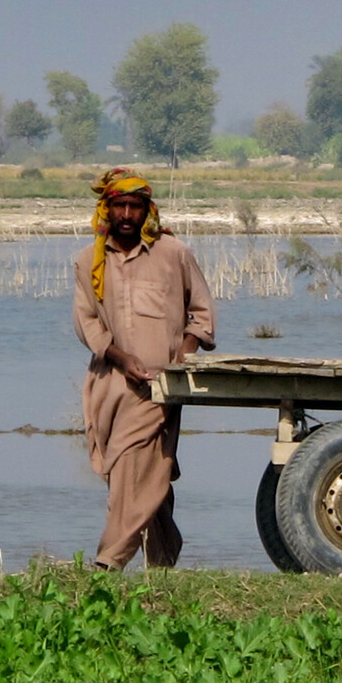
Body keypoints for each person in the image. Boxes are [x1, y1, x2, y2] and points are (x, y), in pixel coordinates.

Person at [72, 168, 216, 570]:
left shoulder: (174, 254)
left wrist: (182, 356)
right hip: (110, 383)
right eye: (119, 205)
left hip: (160, 385)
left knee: (130, 470)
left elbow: (201, 314)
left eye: (136, 206)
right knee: (144, 472)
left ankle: (108, 560)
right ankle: (164, 558)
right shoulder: (88, 262)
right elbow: (87, 322)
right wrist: (120, 358)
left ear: (147, 211)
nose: (127, 214)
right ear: (107, 208)